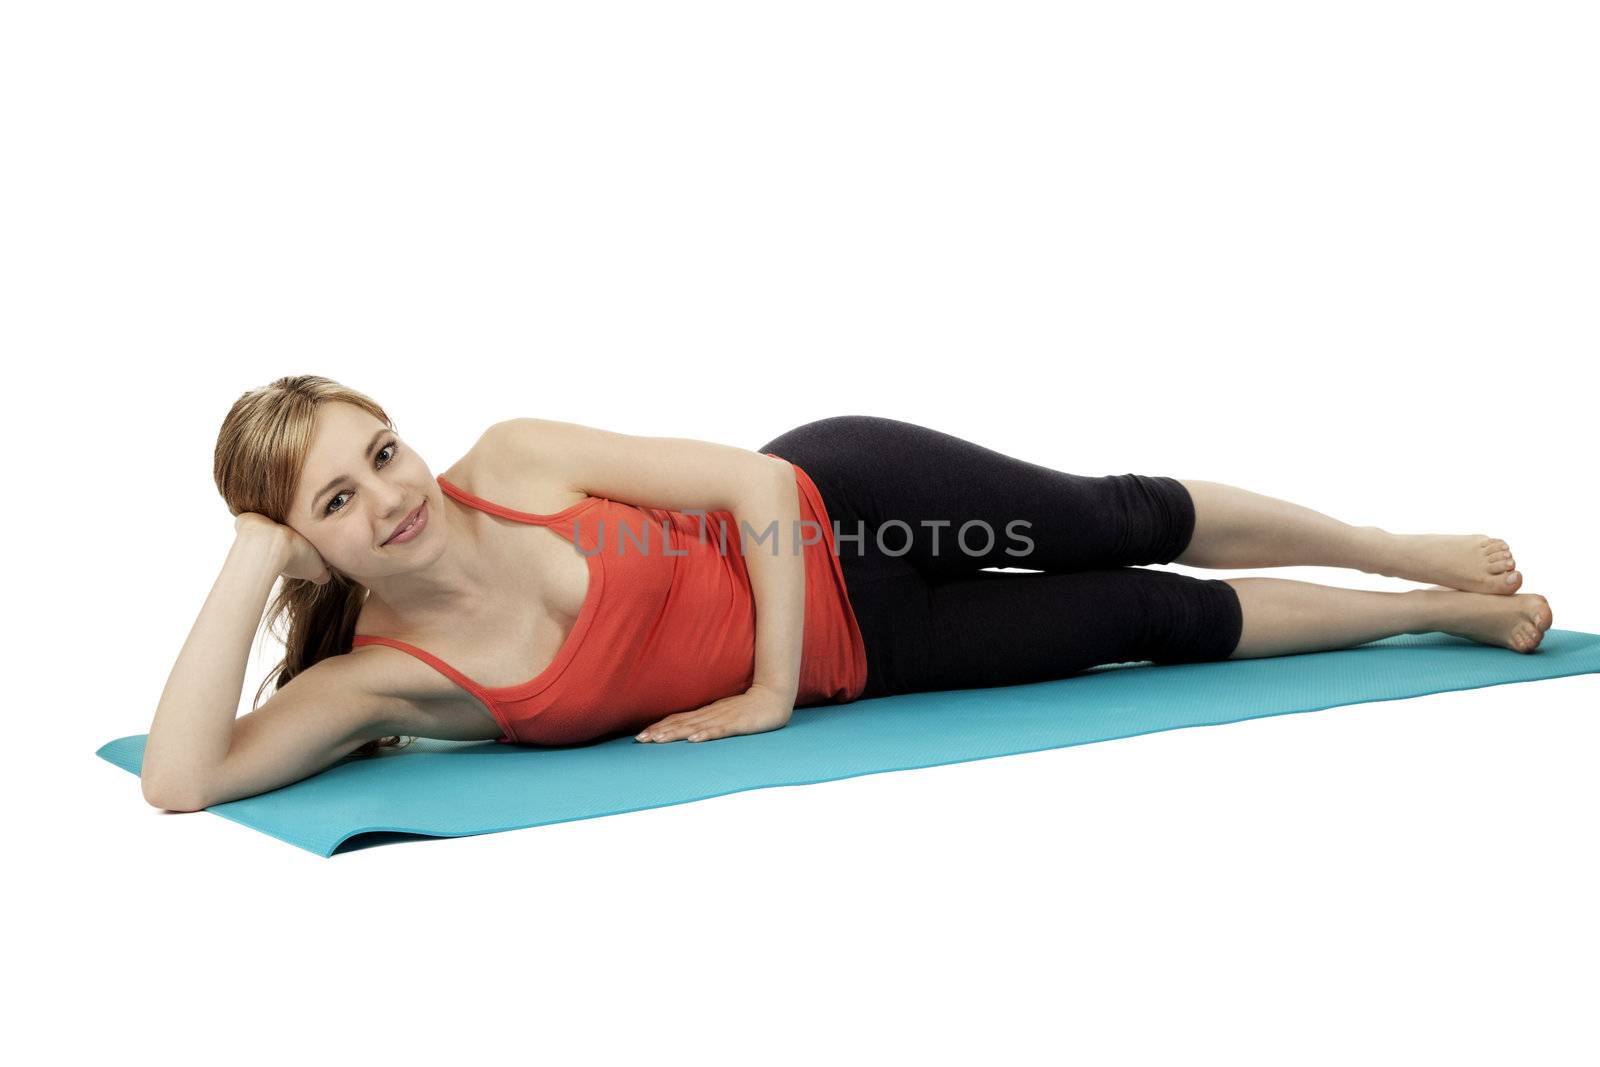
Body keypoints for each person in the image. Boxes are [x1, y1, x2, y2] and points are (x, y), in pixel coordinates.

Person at [139, 375, 1553, 811]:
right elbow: (183, 782)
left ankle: (1398, 549)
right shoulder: (384, 677)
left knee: (1108, 519)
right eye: (338, 501)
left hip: (842, 501)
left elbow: (754, 494)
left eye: (380, 450)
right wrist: (253, 548)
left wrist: (759, 692)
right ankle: (1432, 619)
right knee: (1143, 619)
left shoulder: (515, 462)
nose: (392, 494)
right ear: (306, 548)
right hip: (881, 655)